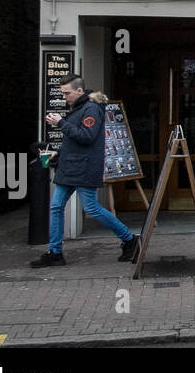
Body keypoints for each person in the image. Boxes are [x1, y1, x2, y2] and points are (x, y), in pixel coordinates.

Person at [30, 76, 139, 267]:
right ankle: (55, 253)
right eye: (62, 93)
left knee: (91, 208)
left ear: (79, 91)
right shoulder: (80, 108)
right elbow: (75, 142)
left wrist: (61, 123)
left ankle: (130, 239)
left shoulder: (91, 109)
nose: (64, 97)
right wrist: (57, 153)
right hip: (71, 166)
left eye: (67, 93)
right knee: (55, 207)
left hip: (84, 168)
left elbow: (87, 137)